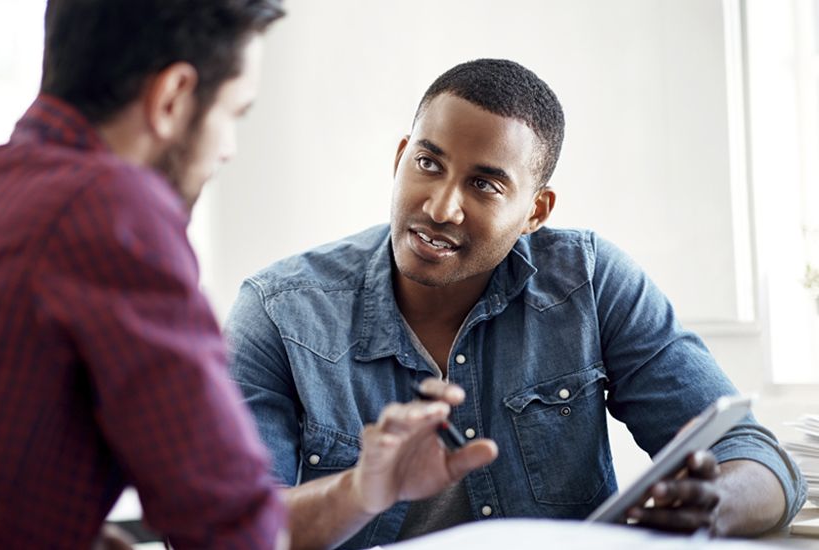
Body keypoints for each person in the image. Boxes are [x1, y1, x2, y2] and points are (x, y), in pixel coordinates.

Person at [225, 58, 807, 549]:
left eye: (484, 184)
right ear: (400, 156)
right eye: (428, 164)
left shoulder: (591, 282)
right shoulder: (279, 311)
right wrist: (357, 492)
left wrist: (713, 506)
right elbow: (227, 530)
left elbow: (758, 457)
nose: (441, 207)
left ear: (536, 212)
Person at [0, 1, 287, 548]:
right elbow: (236, 528)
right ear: (172, 98)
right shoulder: (112, 208)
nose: (229, 150)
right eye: (234, 114)